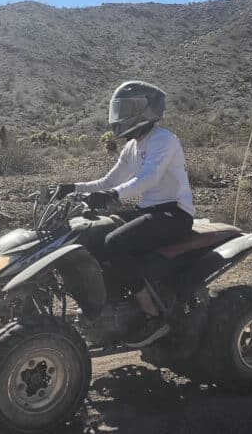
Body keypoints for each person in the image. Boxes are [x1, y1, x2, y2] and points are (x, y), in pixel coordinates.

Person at [54, 81, 194, 347]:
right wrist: (71, 188)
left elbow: (148, 179)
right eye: (121, 109)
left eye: (128, 108)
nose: (122, 115)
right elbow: (107, 181)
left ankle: (152, 315)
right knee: (92, 237)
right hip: (150, 211)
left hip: (175, 214)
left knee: (115, 242)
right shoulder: (132, 147)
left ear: (147, 109)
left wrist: (113, 196)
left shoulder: (164, 140)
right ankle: (110, 307)